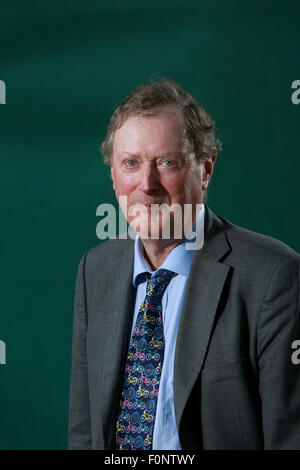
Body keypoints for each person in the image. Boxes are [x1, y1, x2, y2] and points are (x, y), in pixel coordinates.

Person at [68, 77, 300, 450]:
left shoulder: (273, 276)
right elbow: (84, 433)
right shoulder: (95, 270)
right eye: (130, 163)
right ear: (113, 176)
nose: (147, 183)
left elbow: (288, 437)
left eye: (167, 162)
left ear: (205, 169)